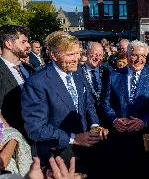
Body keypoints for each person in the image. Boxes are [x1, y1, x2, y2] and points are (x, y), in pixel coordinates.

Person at [21, 31, 108, 176]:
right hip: (58, 157)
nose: (77, 59)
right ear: (54, 55)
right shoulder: (36, 83)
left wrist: (95, 125)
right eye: (70, 55)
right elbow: (35, 128)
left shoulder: (78, 71)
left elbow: (87, 102)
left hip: (88, 150)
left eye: (78, 53)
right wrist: (74, 138)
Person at [101, 40, 149, 177]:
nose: (139, 60)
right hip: (118, 136)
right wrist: (114, 120)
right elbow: (105, 103)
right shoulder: (113, 75)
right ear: (127, 55)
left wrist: (143, 122)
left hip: (142, 138)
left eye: (143, 56)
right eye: (134, 55)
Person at [0, 25, 34, 137]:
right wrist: (12, 137)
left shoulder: (30, 69)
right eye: (23, 42)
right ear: (8, 44)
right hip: (14, 140)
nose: (28, 45)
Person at [81, 42, 109, 126]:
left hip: (106, 120)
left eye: (100, 55)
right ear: (87, 53)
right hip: (86, 120)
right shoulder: (77, 73)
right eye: (94, 54)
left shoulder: (107, 72)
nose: (97, 58)